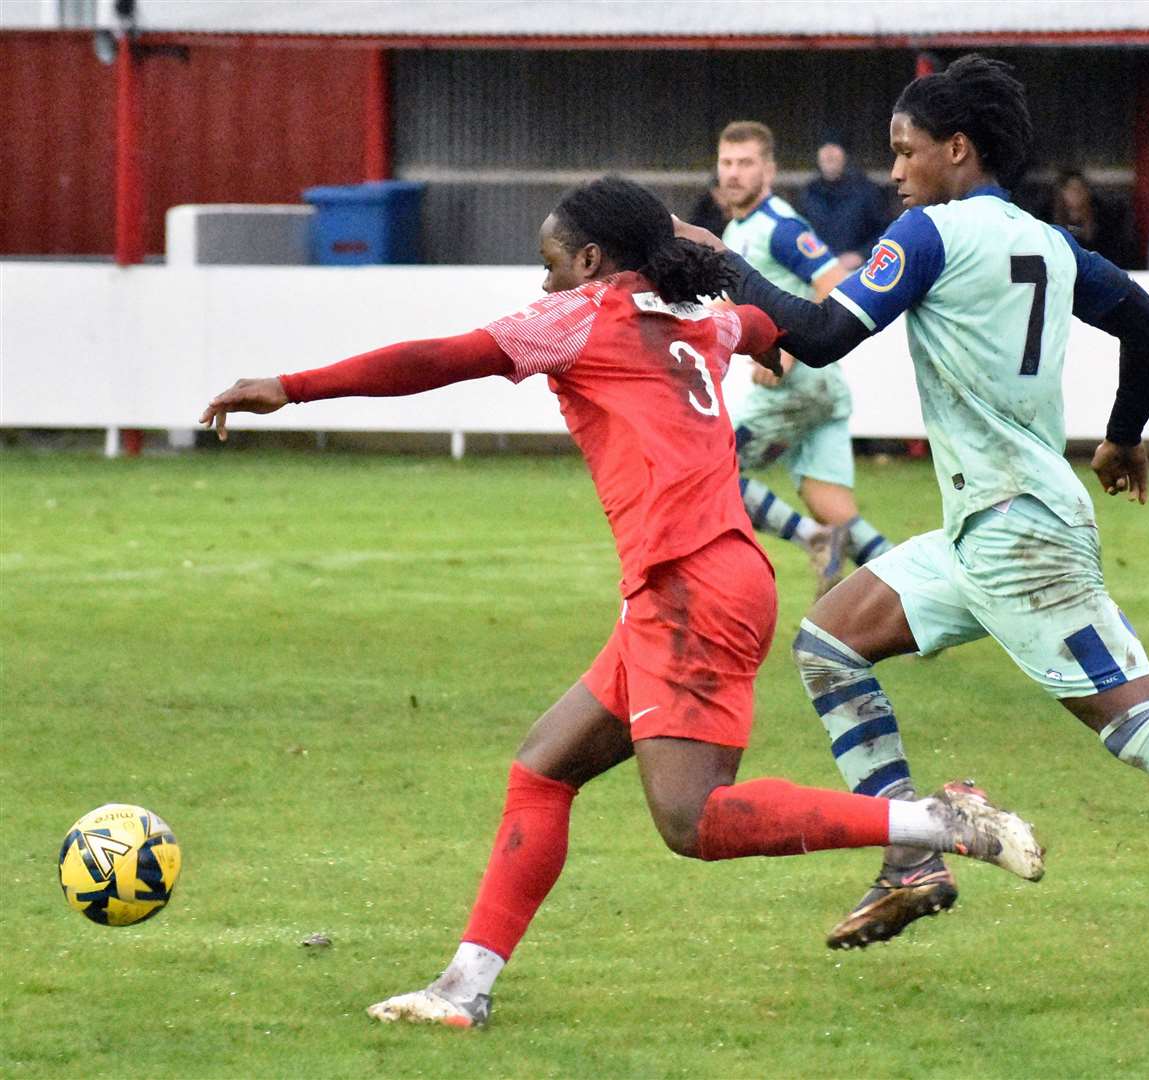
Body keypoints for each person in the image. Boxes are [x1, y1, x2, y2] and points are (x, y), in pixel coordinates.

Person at [198, 177, 1045, 1030]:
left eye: (551, 264)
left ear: (595, 262)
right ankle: (462, 990)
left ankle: (938, 822)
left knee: (691, 820)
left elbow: (438, 358)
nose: (543, 285)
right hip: (697, 578)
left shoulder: (581, 317)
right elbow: (752, 320)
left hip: (691, 586)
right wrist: (762, 335)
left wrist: (291, 386)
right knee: (544, 765)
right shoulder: (704, 318)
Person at [676, 56, 1149, 998]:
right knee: (829, 641)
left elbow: (822, 336)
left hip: (1021, 535)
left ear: (955, 149)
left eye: (905, 151)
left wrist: (716, 263)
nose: (895, 171)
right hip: (985, 526)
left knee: (1137, 722)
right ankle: (913, 855)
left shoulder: (928, 234)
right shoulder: (1046, 241)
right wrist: (1122, 439)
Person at [716, 120, 896, 596]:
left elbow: (836, 283)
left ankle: (811, 539)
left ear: (769, 170)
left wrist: (792, 349)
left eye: (746, 163)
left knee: (709, 469)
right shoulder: (737, 229)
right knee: (829, 500)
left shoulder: (780, 227)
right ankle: (919, 595)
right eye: (727, 163)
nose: (734, 173)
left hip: (799, 385)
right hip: (820, 387)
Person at [799, 136, 891, 270]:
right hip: (818, 273)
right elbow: (799, 233)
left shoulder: (867, 191)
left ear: (845, 154)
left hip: (860, 274)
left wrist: (861, 255)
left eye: (835, 147)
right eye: (824, 147)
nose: (829, 152)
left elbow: (886, 232)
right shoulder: (808, 193)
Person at [1051, 169, 1141, 270]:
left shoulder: (1103, 220)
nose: (1076, 193)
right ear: (1061, 193)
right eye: (1070, 189)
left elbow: (1113, 253)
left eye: (1080, 188)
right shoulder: (1049, 220)